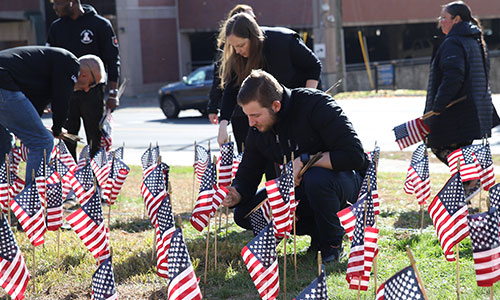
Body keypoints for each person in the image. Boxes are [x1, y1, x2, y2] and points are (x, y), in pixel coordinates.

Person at [222, 70, 368, 262]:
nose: (251, 123)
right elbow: (248, 173)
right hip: (301, 193)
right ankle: (316, 231)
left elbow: (355, 156)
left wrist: (305, 161)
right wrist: (237, 192)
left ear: (276, 105)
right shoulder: (257, 129)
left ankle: (332, 242)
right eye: (247, 115)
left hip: (344, 184)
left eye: (255, 115)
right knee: (244, 214)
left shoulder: (316, 104)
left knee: (316, 178)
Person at [213, 13, 321, 153]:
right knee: (269, 161)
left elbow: (314, 66)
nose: (237, 51)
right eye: (233, 47)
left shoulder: (284, 41)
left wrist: (307, 100)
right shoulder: (238, 57)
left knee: (298, 157)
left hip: (297, 105)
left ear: (253, 37)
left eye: (241, 45)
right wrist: (223, 125)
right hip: (269, 115)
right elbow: (232, 88)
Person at [0, 46, 102, 184]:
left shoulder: (48, 69)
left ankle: (4, 193)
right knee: (42, 142)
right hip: (4, 82)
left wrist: (41, 127)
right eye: (92, 83)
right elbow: (62, 99)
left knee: (5, 140)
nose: (87, 89)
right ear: (84, 74)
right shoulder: (71, 63)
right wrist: (57, 129)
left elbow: (33, 107)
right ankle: (32, 200)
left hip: (6, 82)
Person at [424, 1, 499, 164]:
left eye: (444, 18)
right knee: (461, 150)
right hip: (473, 111)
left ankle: (471, 181)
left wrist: (438, 106)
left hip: (457, 111)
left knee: (438, 145)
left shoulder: (454, 42)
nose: (440, 21)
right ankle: (468, 185)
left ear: (456, 20)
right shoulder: (475, 39)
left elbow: (453, 77)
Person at [48, 0, 120, 160]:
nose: (54, 8)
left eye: (58, 3)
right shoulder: (56, 27)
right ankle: (70, 181)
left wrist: (113, 94)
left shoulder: (101, 25)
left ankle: (95, 181)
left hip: (92, 92)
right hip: (66, 93)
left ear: (72, 2)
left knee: (95, 139)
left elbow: (113, 60)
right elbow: (50, 63)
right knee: (66, 139)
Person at [207, 5, 256, 154]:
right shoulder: (229, 49)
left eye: (253, 18)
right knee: (245, 152)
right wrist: (213, 107)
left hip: (260, 109)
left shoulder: (259, 43)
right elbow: (222, 80)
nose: (253, 20)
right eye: (248, 17)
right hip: (239, 110)